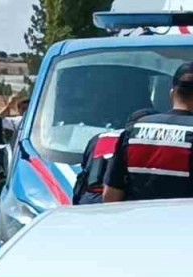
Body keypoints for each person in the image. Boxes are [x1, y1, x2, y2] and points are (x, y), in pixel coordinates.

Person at [103, 62, 193, 203]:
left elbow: (110, 196)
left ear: (172, 92)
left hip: (137, 222)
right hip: (183, 223)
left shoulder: (135, 129)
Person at [73, 108, 157, 205]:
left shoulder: (98, 138)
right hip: (120, 200)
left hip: (89, 199)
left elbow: (85, 168)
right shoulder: (140, 141)